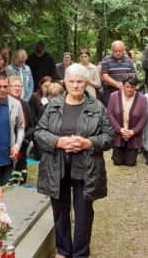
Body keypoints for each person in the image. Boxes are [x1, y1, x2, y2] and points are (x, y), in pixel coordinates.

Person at [35, 63, 114, 258]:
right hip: (56, 166)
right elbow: (39, 132)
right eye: (71, 81)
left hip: (86, 167)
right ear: (65, 82)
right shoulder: (53, 105)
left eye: (80, 81)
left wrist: (88, 143)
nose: (76, 85)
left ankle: (80, 253)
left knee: (83, 212)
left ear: (87, 83)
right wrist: (58, 142)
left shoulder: (97, 107)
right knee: (60, 211)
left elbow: (109, 136)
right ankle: (63, 251)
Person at [107, 73, 148, 166]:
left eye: (132, 87)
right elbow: (109, 114)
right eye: (127, 87)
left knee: (130, 163)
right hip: (119, 134)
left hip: (133, 134)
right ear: (122, 85)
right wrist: (119, 129)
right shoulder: (114, 96)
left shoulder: (142, 98)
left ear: (136, 87)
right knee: (117, 162)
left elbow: (144, 117)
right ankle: (117, 152)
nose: (129, 89)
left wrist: (134, 131)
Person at [8, 76, 35, 183]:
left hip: (22, 146)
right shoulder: (4, 104)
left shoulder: (25, 105)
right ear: (8, 87)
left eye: (20, 86)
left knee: (21, 178)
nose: (18, 89)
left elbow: (32, 127)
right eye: (15, 86)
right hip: (7, 146)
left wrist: (22, 136)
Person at [101, 40, 136, 105]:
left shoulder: (129, 60)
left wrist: (125, 86)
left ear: (123, 50)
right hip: (111, 93)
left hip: (127, 93)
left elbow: (133, 76)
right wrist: (118, 85)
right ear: (112, 50)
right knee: (111, 113)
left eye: (120, 51)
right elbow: (105, 77)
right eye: (116, 51)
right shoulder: (106, 60)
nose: (118, 53)